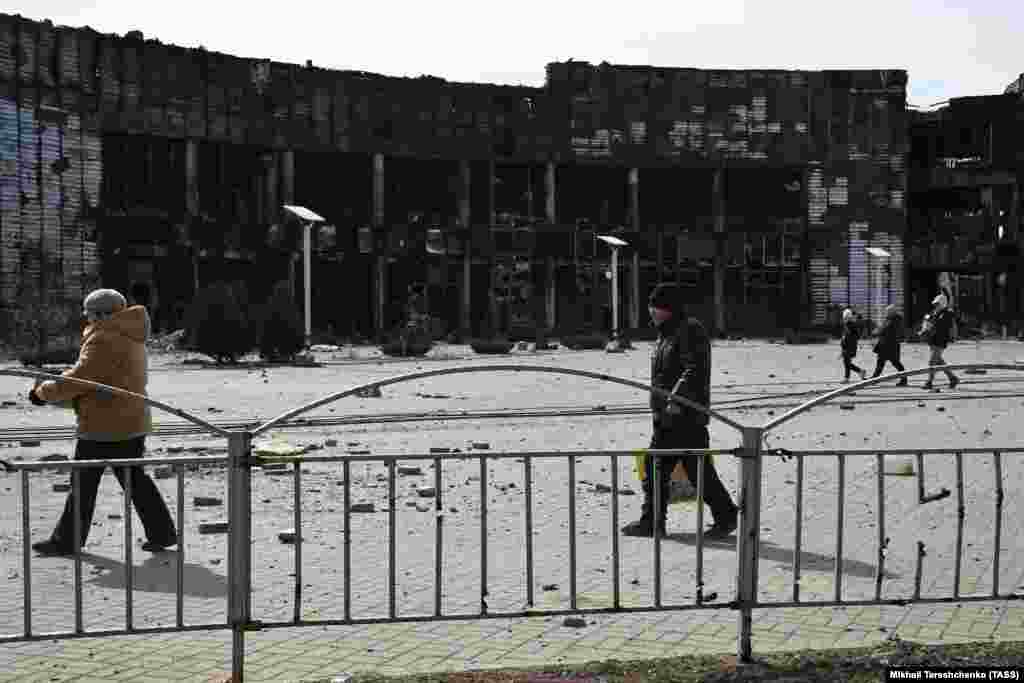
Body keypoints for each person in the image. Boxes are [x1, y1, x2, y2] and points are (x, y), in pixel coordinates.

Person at [28, 288, 177, 557]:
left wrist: (42, 392)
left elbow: (80, 379)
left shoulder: (103, 338)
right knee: (136, 481)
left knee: (83, 484)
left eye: (90, 314)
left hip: (103, 424)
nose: (87, 319)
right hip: (131, 419)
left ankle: (66, 541)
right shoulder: (131, 333)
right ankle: (162, 533)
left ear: (100, 314)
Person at [622, 283, 738, 539]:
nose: (651, 311)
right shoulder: (665, 333)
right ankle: (724, 514)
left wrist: (676, 398)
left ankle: (654, 521)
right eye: (651, 305)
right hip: (667, 415)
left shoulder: (689, 331)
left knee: (665, 467)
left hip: (683, 416)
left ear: (670, 308)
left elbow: (693, 369)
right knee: (688, 470)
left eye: (657, 306)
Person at [922, 293, 959, 390]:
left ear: (942, 304)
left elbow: (941, 325)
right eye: (935, 304)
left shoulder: (947, 313)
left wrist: (930, 324)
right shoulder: (934, 313)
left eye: (937, 304)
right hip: (933, 339)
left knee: (932, 361)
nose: (935, 306)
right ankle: (952, 378)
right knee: (939, 361)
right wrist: (924, 328)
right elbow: (927, 321)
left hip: (940, 340)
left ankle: (929, 381)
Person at [871, 304, 908, 385]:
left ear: (892, 312)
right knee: (890, 362)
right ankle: (874, 379)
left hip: (889, 345)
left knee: (891, 362)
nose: (886, 313)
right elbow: (883, 328)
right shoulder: (893, 319)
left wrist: (876, 332)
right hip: (889, 345)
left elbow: (884, 330)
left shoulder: (893, 320)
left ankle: (874, 379)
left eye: (887, 311)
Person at [840, 308, 867, 383]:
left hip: (849, 347)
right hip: (848, 346)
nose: (844, 319)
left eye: (845, 317)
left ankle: (847, 378)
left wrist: (844, 343)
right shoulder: (849, 324)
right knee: (847, 362)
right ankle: (860, 371)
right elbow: (846, 336)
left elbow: (851, 336)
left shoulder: (850, 325)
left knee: (847, 362)